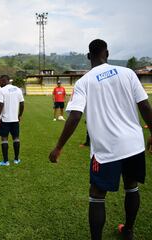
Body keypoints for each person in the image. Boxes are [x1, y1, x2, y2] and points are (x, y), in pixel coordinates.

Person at [49, 39, 152, 240]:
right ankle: (128, 230)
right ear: (107, 52)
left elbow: (75, 116)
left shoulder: (84, 82)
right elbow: (145, 107)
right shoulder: (128, 73)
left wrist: (58, 147)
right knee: (131, 186)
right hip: (134, 144)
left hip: (107, 150)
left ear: (89, 56)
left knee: (97, 195)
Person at [0, 75, 24, 166]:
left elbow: (0, 105)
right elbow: (22, 103)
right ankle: (16, 159)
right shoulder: (18, 89)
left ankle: (6, 161)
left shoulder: (1, 91)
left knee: (4, 139)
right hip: (15, 119)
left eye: (0, 81)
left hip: (5, 120)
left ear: (3, 81)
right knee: (16, 138)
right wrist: (19, 115)